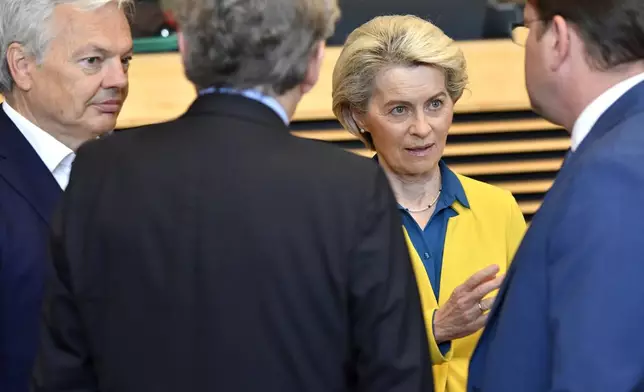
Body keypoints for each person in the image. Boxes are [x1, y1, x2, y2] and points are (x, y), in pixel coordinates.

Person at [32, 1, 433, 391]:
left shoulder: (99, 171)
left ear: (185, 50)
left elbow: (65, 369)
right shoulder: (352, 188)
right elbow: (396, 375)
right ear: (313, 64)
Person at [332, 15, 526, 392]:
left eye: (435, 104)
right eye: (399, 110)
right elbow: (321, 349)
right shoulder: (336, 221)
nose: (422, 128)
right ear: (359, 117)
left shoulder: (498, 207)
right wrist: (435, 327)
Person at [468, 0, 644, 391]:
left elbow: (598, 374)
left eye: (527, 29)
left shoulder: (613, 171)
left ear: (559, 40)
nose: (526, 45)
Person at [0, 0, 132, 390]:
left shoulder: (140, 174)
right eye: (93, 60)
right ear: (22, 66)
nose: (119, 80)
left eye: (125, 61)